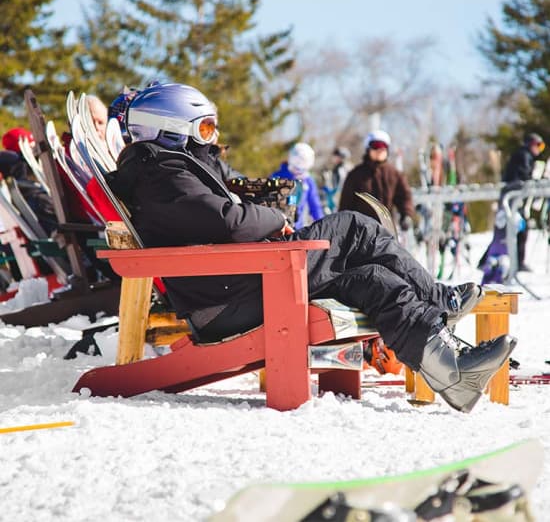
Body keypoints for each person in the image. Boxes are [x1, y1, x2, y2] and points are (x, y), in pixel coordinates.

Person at [109, 82, 516, 413]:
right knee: (354, 227)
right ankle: (440, 300)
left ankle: (453, 376)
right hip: (231, 297)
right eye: (203, 129)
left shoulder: (166, 169)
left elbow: (220, 217)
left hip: (240, 282)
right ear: (169, 126)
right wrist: (276, 221)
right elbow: (228, 222)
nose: (210, 140)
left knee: (371, 278)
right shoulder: (161, 174)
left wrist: (256, 215)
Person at [339, 130, 415, 233]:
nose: (379, 150)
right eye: (375, 147)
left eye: (383, 147)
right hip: (361, 231)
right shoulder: (355, 175)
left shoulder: (394, 174)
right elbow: (346, 204)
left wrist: (406, 215)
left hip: (386, 230)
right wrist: (344, 226)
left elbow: (405, 197)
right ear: (368, 149)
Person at [501, 132, 545, 272]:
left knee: (520, 230)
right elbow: (524, 176)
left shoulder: (525, 156)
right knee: (512, 231)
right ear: (531, 144)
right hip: (514, 198)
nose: (539, 149)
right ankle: (515, 263)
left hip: (516, 198)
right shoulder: (524, 155)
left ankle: (518, 262)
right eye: (538, 145)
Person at [270, 142, 324, 229]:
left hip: (297, 228)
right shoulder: (277, 177)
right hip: (277, 226)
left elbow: (315, 206)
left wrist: (323, 226)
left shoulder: (308, 180)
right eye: (296, 166)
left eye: (302, 168)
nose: (297, 171)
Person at [321, 146, 353, 214]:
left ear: (341, 157)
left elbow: (338, 188)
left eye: (336, 156)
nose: (333, 158)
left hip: (339, 202)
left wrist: (328, 190)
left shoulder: (341, 170)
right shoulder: (344, 168)